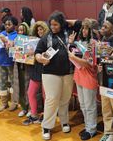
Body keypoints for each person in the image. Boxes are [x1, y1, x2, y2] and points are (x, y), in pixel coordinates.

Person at [35, 11, 74, 140]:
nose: (53, 27)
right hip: (50, 73)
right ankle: (46, 126)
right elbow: (37, 52)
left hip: (68, 72)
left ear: (62, 24)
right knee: (51, 99)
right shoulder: (46, 37)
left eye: (56, 24)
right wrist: (40, 59)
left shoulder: (69, 34)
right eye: (51, 24)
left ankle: (64, 121)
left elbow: (80, 23)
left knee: (65, 99)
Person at [67, 18, 99, 140]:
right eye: (83, 28)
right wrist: (70, 44)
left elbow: (88, 63)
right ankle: (88, 126)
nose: (84, 31)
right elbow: (72, 55)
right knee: (83, 105)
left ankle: (92, 129)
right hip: (79, 75)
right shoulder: (80, 42)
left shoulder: (94, 43)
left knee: (90, 105)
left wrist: (72, 57)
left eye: (87, 28)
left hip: (89, 77)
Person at [23, 21, 49, 125]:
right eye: (37, 30)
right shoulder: (33, 40)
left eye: (41, 29)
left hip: (46, 69)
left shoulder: (49, 40)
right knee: (31, 92)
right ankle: (34, 115)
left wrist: (35, 54)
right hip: (35, 69)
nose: (39, 31)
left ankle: (46, 115)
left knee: (45, 95)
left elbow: (49, 55)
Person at [0, 16, 18, 111]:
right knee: (2, 82)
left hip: (11, 63)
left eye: (10, 24)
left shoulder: (16, 36)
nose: (7, 26)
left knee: (13, 83)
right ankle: (4, 103)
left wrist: (7, 42)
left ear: (14, 25)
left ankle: (14, 102)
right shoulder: (0, 34)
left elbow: (16, 51)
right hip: (1, 62)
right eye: (6, 24)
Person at [11, 22, 31, 115]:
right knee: (21, 87)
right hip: (18, 66)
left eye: (22, 30)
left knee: (29, 88)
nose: (20, 32)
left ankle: (31, 108)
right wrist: (10, 48)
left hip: (28, 67)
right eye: (19, 30)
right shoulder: (15, 40)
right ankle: (23, 108)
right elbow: (12, 54)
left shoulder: (31, 40)